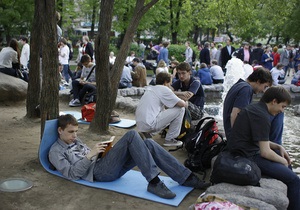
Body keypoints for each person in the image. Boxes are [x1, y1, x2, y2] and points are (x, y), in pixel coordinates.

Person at [49, 114, 210, 199]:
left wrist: (101, 150)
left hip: (103, 163)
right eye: (71, 132)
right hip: (98, 173)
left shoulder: (74, 140)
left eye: (76, 131)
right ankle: (154, 182)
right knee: (132, 135)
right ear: (60, 130)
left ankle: (186, 177)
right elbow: (72, 174)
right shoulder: (55, 151)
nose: (75, 135)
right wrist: (90, 155)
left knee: (148, 144)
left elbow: (87, 155)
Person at [227, 86, 300, 210]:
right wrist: (284, 162)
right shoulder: (262, 116)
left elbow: (259, 139)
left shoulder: (256, 108)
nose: (282, 111)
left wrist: (277, 146)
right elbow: (265, 152)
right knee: (294, 180)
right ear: (274, 101)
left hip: (244, 150)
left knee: (280, 154)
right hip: (247, 156)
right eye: (283, 106)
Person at [223, 68, 285, 145]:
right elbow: (235, 114)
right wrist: (238, 139)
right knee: (279, 112)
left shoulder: (239, 85)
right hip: (236, 138)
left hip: (233, 134)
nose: (263, 90)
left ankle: (272, 146)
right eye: (265, 86)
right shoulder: (246, 89)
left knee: (274, 110)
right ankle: (276, 146)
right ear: (258, 81)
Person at [136, 72, 187, 147]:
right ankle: (170, 139)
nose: (170, 85)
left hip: (140, 124)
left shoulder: (150, 88)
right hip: (149, 124)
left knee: (164, 111)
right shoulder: (164, 89)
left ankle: (147, 133)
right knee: (180, 109)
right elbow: (182, 104)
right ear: (166, 82)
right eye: (170, 83)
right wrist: (186, 102)